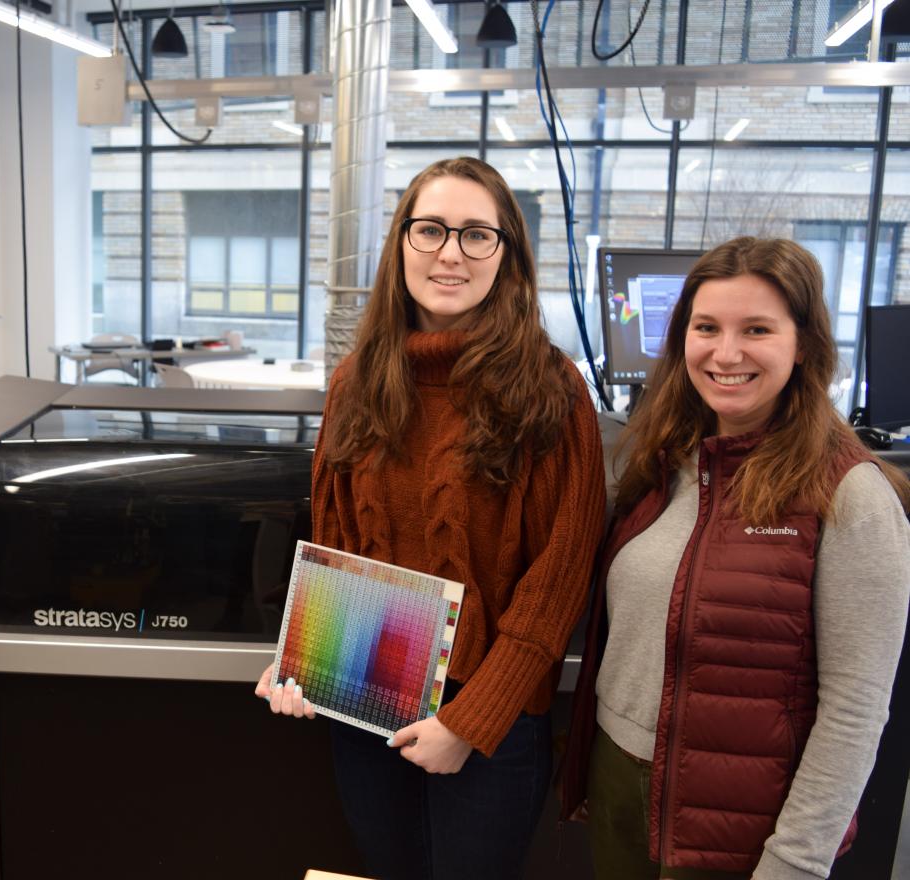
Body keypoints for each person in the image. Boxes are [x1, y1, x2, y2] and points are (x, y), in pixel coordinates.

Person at [255, 156, 608, 880]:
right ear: (401, 245)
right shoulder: (358, 382)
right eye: (431, 230)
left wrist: (468, 723)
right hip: (368, 707)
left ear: (507, 254)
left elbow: (559, 580)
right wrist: (307, 661)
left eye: (478, 234)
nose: (451, 252)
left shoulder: (553, 389)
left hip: (491, 727)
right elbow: (337, 545)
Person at [559, 237, 910, 879]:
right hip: (618, 786)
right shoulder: (666, 461)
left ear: (802, 344)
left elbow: (856, 707)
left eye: (756, 329)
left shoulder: (850, 494)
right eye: (706, 327)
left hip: (740, 824)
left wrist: (796, 860)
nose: (726, 353)